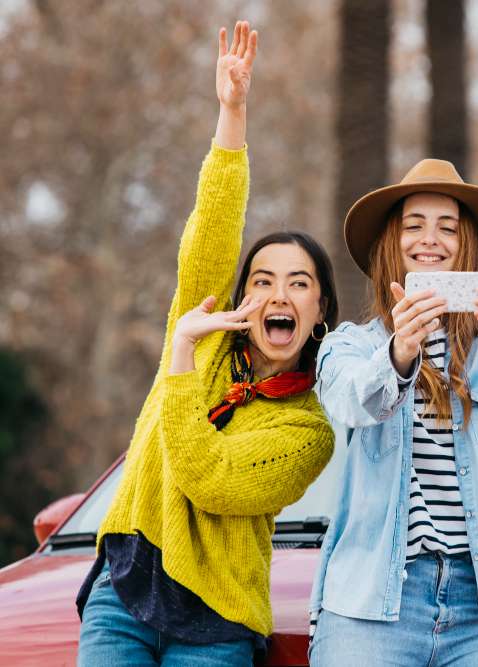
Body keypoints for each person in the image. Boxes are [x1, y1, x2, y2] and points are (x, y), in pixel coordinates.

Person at [76, 22, 335, 666]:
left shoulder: (307, 427)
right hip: (124, 592)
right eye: (263, 280)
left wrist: (181, 361)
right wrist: (232, 114)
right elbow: (212, 233)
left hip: (218, 621)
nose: (279, 295)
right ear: (241, 296)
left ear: (319, 308)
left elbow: (209, 478)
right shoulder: (205, 334)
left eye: (298, 284)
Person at [307, 159, 478, 666]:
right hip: (373, 603)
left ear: (466, 249)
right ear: (389, 246)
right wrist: (400, 350)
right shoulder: (349, 347)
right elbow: (354, 399)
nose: (431, 239)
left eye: (448, 228)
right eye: (413, 225)